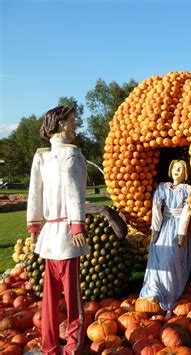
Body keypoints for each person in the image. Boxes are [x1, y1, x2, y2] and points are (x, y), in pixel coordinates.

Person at [27, 106, 89, 355]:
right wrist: (77, 225)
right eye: (72, 121)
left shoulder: (41, 156)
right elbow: (74, 192)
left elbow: (34, 194)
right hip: (66, 236)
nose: (75, 125)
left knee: (49, 299)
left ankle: (49, 346)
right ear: (61, 124)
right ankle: (73, 345)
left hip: (49, 237)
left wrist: (34, 224)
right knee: (73, 299)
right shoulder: (71, 154)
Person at [139, 159, 191, 319]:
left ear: (185, 174)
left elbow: (186, 211)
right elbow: (156, 208)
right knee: (157, 258)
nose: (177, 171)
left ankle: (169, 298)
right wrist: (155, 230)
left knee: (171, 260)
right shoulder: (162, 187)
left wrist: (181, 233)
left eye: (181, 170)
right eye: (175, 168)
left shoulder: (187, 190)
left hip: (177, 228)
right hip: (164, 226)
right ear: (171, 170)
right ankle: (153, 291)